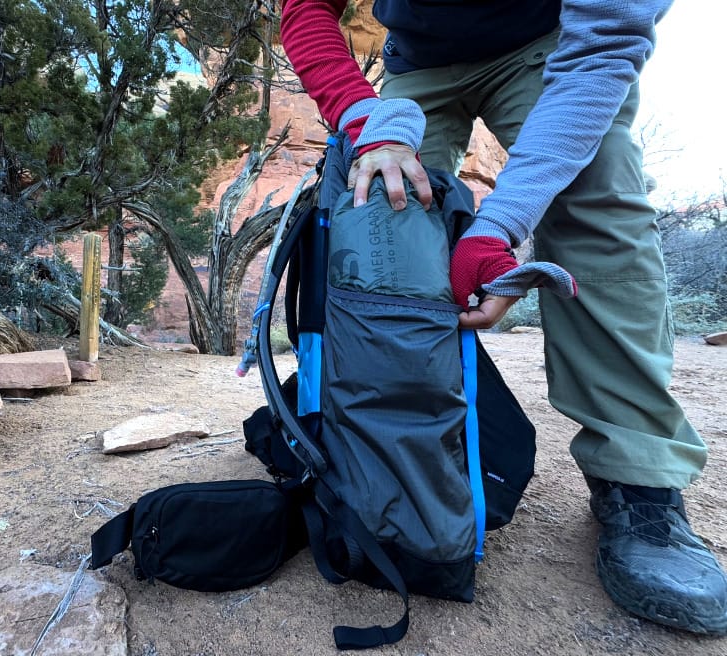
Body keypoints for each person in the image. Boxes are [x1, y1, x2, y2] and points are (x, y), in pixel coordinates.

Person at [280, 0, 727, 636]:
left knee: (595, 198)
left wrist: (500, 226)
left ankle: (639, 477)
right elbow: (305, 11)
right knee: (375, 209)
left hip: (551, 44)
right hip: (419, 58)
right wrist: (367, 126)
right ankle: (365, 447)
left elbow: (603, 46)